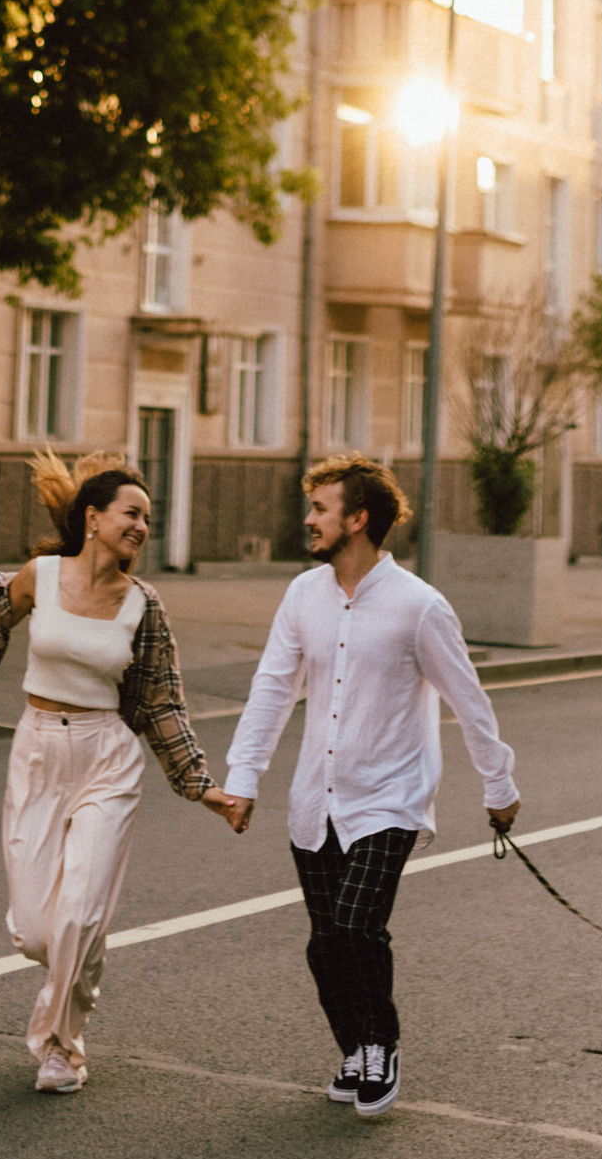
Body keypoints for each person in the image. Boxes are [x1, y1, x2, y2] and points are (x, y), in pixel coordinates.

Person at [0, 453, 249, 1092]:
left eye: (148, 519)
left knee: (79, 916)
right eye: (132, 513)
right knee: (38, 932)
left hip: (107, 758)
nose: (142, 527)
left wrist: (200, 786)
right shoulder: (39, 577)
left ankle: (62, 1049)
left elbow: (161, 702)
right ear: (93, 518)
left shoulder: (143, 606)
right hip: (38, 752)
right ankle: (70, 974)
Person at [215, 456, 521, 1118]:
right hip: (316, 798)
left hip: (390, 799)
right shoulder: (303, 595)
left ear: (357, 520)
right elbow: (272, 688)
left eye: (320, 509)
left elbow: (468, 700)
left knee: (356, 925)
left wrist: (498, 786)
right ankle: (353, 1047)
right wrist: (244, 776)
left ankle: (381, 1044)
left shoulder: (419, 606)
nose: (309, 519)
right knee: (324, 941)